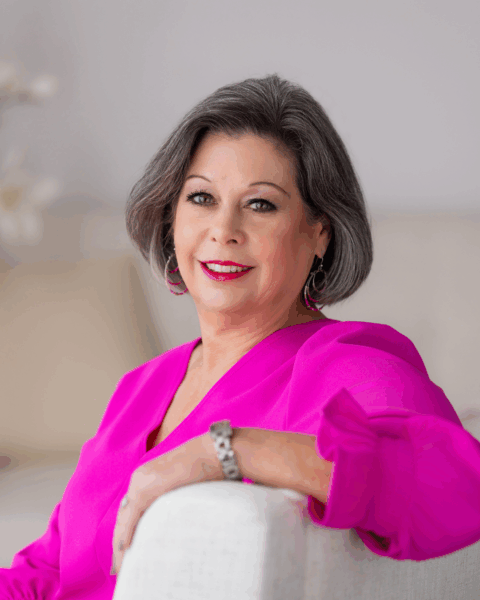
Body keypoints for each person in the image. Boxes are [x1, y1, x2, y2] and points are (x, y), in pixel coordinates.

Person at [2, 73, 480, 599]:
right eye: (201, 197)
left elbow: (456, 489)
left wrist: (224, 450)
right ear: (172, 217)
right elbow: (48, 571)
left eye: (260, 204)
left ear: (319, 233)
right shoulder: (141, 386)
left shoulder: (347, 364)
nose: (224, 229)